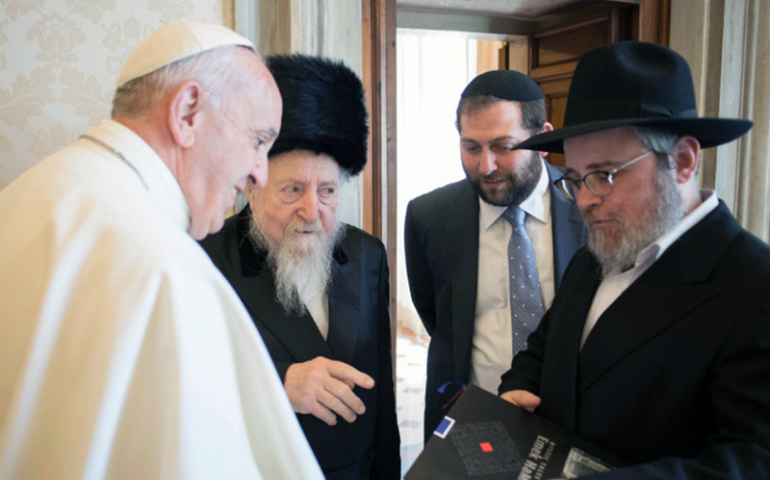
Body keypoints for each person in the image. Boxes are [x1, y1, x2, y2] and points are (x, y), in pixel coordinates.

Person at [0, 22, 323, 479]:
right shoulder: (166, 268)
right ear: (187, 112)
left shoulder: (24, 194)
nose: (259, 175)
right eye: (257, 141)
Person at [498, 41, 770, 478]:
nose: (585, 201)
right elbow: (545, 347)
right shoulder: (597, 253)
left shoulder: (753, 284)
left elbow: (753, 460)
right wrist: (518, 391)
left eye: (604, 175)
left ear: (682, 160)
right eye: (575, 179)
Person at [200, 54, 400, 480]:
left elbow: (381, 399)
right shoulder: (207, 256)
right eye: (292, 189)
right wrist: (279, 384)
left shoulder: (367, 253)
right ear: (252, 188)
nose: (312, 211)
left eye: (327, 190)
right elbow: (183, 384)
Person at [404, 70, 586, 441]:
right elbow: (436, 315)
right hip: (469, 418)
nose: (485, 166)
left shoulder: (588, 204)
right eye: (471, 147)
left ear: (542, 138)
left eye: (503, 147)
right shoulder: (429, 216)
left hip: (572, 421)